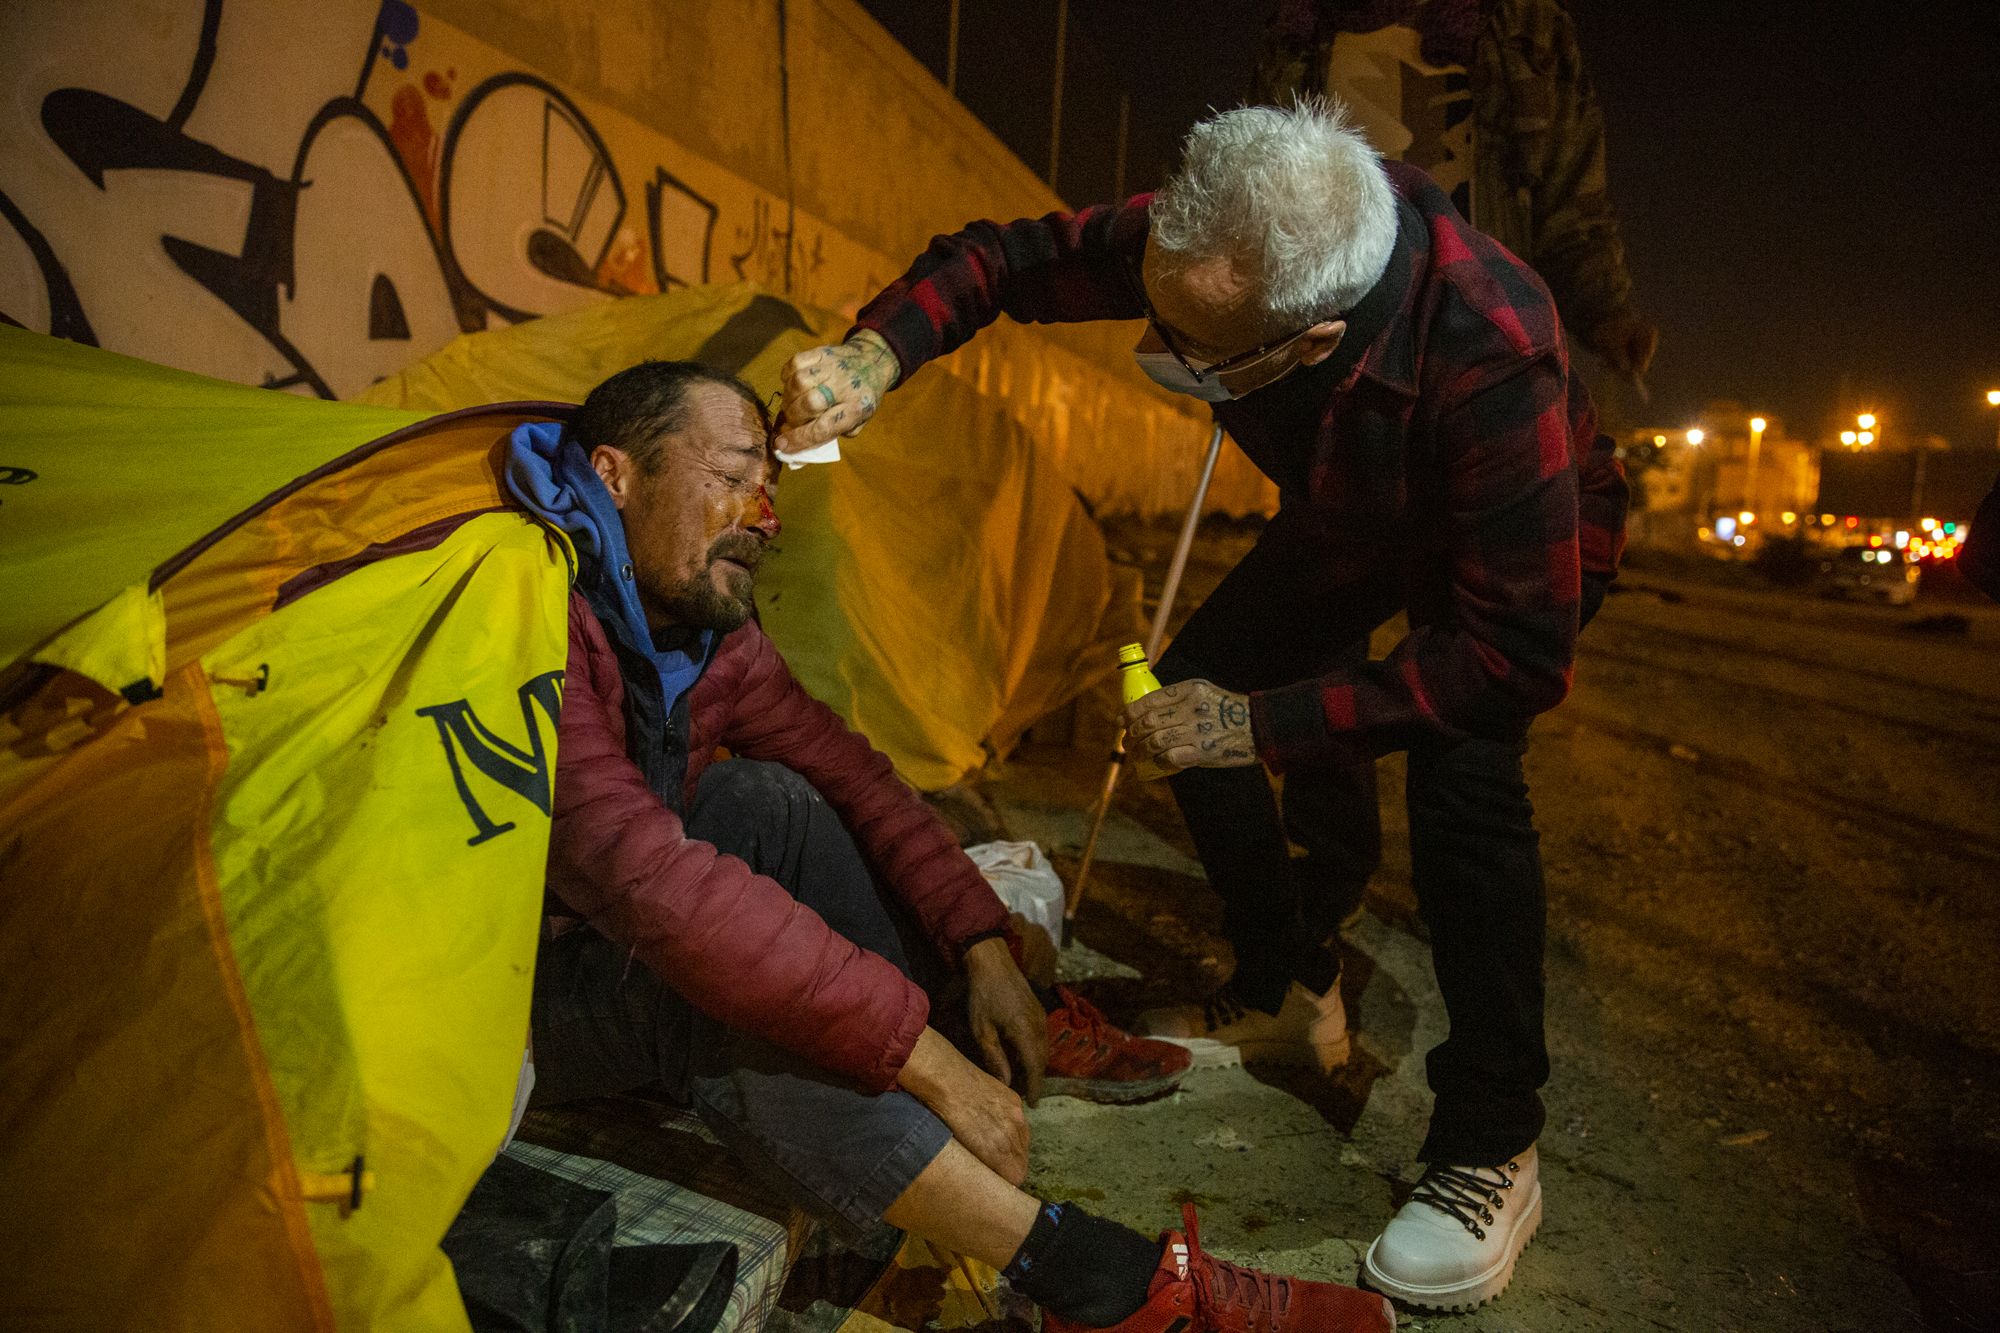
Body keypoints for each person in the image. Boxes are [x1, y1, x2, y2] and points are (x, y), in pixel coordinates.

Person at [774, 100, 1626, 1312]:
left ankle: (1491, 1136)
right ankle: (1290, 983)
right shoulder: (1228, 227)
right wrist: (875, 354)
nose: (1161, 345)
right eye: (1156, 309)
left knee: (1464, 782)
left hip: (1498, 552)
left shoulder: (1491, 349)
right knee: (1186, 687)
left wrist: (1263, 725)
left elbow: (1513, 653)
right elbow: (999, 259)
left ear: (1317, 332)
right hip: (1346, 515)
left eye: (1197, 348)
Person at [503, 360, 1395, 1333]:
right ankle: (1096, 1277)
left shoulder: (700, 628)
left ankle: (951, 1091)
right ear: (614, 474)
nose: (762, 515)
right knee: (706, 988)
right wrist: (915, 1053)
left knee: (773, 799)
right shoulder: (529, 613)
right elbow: (650, 880)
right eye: (730, 475)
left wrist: (982, 950)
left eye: (769, 485)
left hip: (585, 933)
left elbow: (852, 773)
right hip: (498, 1000)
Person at [1252, 0, 1654, 940]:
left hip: (1474, 383)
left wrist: (1607, 315)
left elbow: (1572, 211)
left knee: (1469, 733)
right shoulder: (1302, 28)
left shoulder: (1526, 29)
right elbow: (1257, 182)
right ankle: (1314, 931)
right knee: (1315, 665)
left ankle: (1490, 1083)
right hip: (1337, 387)